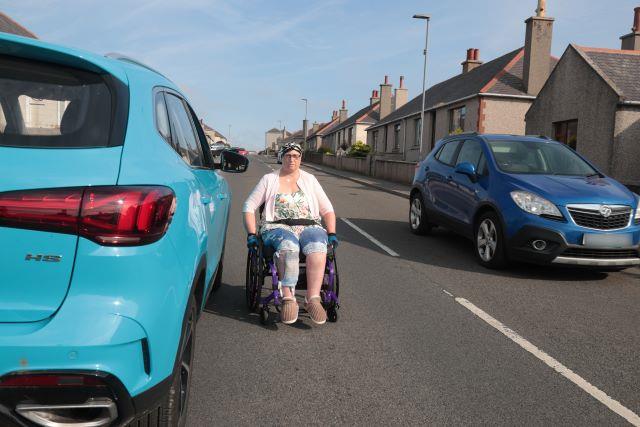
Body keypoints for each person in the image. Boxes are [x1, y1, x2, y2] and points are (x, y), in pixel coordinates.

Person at [243, 142, 338, 325]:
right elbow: (249, 206)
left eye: (296, 156)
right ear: (281, 157)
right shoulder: (269, 179)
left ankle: (313, 299)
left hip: (309, 225)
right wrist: (251, 233)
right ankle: (288, 298)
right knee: (289, 245)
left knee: (319, 245)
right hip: (276, 226)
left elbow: (327, 210)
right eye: (288, 155)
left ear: (300, 158)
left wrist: (331, 232)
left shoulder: (310, 180)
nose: (292, 159)